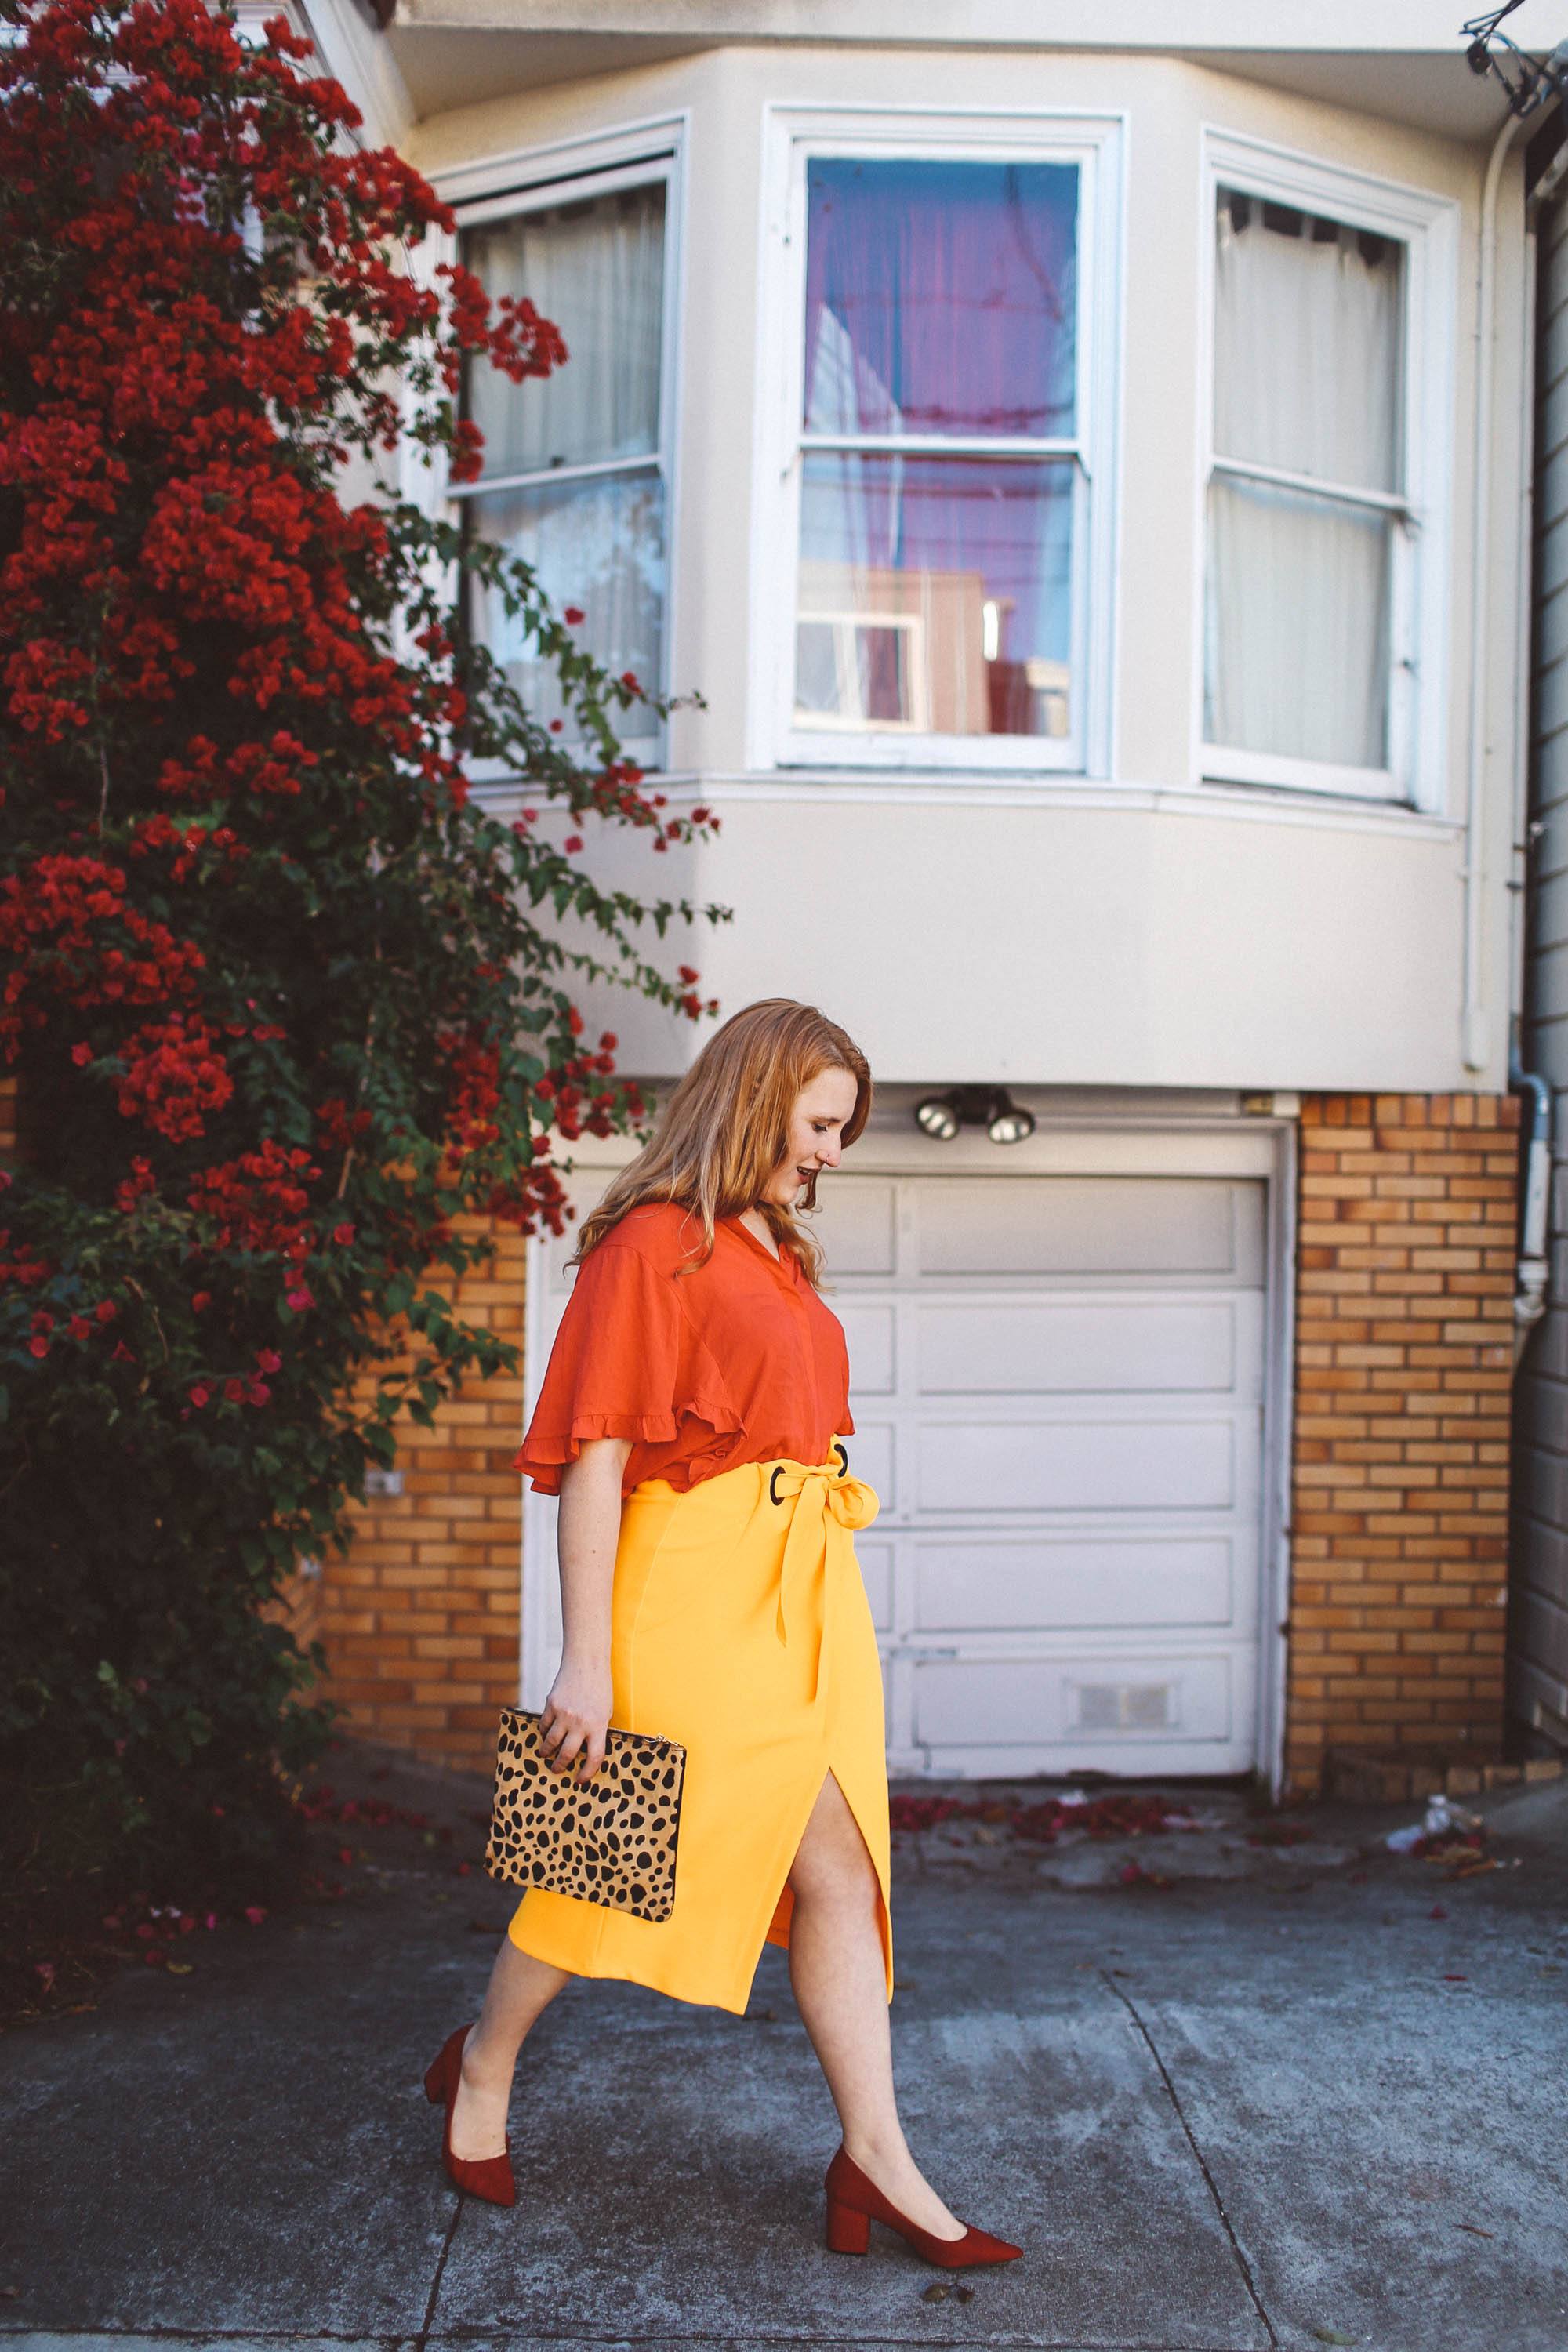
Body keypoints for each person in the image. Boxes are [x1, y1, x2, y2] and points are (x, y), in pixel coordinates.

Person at [423, 999, 1022, 2270]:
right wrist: (586, 1656)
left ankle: (875, 2158)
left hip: (807, 1588)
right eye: (821, 1124)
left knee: (841, 1875)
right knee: (606, 1846)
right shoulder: (655, 1245)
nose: (834, 1153)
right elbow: (595, 1463)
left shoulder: (778, 1252)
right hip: (691, 1586)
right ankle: (483, 2064)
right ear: (758, 1101)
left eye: (845, 1130)